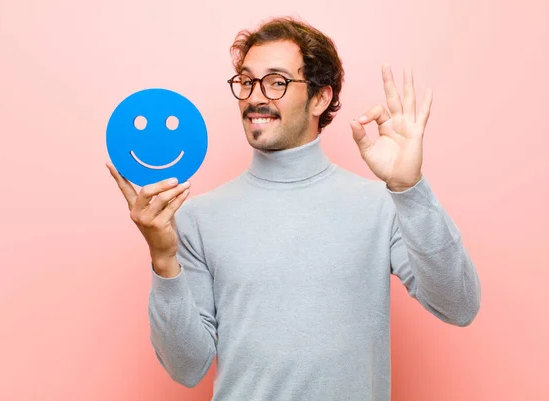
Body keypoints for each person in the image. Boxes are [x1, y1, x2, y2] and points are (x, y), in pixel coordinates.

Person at [107, 16, 481, 401]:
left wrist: (410, 189)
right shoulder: (197, 217)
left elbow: (459, 306)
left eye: (276, 81)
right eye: (247, 81)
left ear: (320, 97)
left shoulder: (380, 206)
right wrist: (163, 259)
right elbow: (187, 369)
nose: (255, 97)